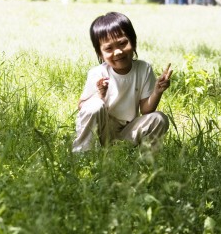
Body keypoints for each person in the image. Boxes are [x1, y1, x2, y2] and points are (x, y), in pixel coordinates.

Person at [73, 12, 172, 152]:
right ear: (100, 54)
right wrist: (99, 95)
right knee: (94, 105)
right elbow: (82, 106)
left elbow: (146, 110)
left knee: (159, 118)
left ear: (133, 42)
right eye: (109, 48)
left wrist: (157, 91)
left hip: (128, 131)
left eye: (122, 43)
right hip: (102, 130)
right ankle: (83, 153)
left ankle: (146, 159)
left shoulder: (144, 69)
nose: (118, 52)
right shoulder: (97, 73)